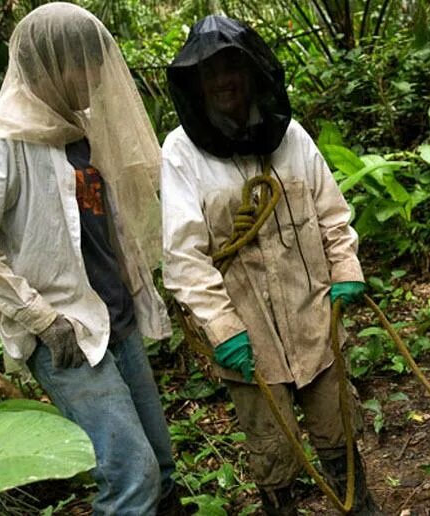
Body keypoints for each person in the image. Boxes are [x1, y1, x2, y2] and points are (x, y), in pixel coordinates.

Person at [161, 15, 382, 515]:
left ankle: (360, 505)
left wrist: (345, 270)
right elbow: (183, 257)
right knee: (272, 452)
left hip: (313, 317)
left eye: (230, 67)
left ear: (251, 69)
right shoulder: (180, 153)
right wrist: (223, 329)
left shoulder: (291, 135)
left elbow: (331, 212)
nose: (222, 81)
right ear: (196, 83)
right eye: (209, 72)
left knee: (337, 428)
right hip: (247, 333)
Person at [0, 3, 182, 514]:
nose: (92, 75)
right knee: (131, 478)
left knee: (159, 465)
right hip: (63, 330)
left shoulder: (81, 127)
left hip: (115, 314)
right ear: (49, 64)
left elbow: (109, 225)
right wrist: (38, 318)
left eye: (96, 61)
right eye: (81, 62)